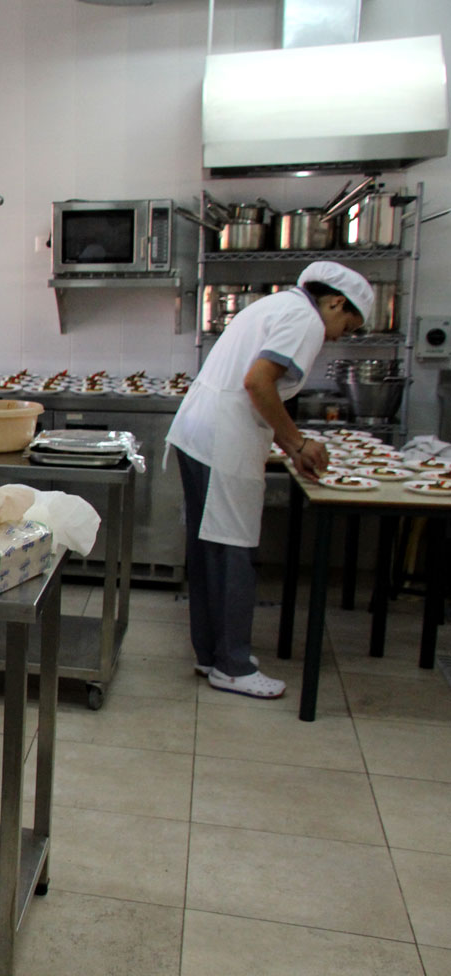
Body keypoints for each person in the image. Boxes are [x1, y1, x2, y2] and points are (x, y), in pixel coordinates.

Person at [166, 261, 368, 699]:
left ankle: (212, 654)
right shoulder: (306, 320)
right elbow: (259, 383)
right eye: (347, 326)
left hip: (198, 431)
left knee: (208, 550)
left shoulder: (278, 305)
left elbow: (257, 385)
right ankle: (233, 666)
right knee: (233, 551)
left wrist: (287, 440)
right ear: (334, 302)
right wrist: (296, 444)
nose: (339, 337)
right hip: (224, 440)